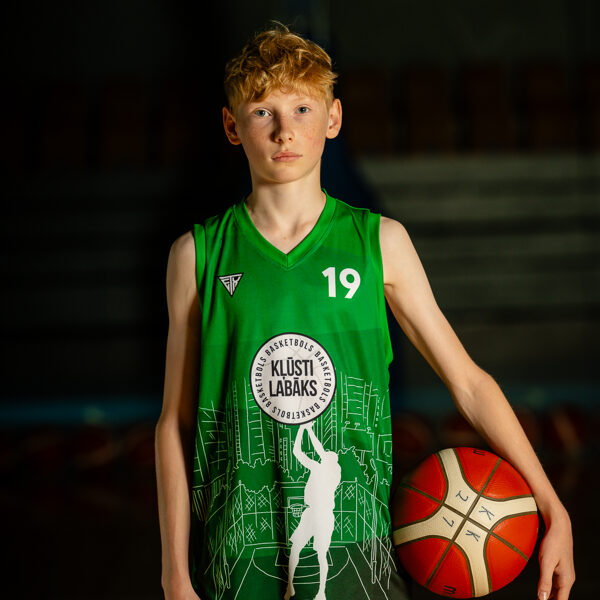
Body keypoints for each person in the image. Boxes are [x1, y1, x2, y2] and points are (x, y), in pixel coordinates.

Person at [155, 24, 575, 600]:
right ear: (232, 126)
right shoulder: (196, 255)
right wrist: (173, 575)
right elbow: (175, 424)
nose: (283, 130)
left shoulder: (380, 243)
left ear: (333, 119)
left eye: (302, 109)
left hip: (357, 556)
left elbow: (470, 383)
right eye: (262, 112)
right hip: (234, 557)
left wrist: (553, 506)